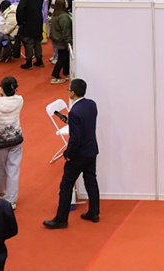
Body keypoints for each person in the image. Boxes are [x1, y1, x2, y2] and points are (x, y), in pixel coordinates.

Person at [43, 78, 101, 226]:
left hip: (79, 155)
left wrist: (68, 154)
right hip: (91, 150)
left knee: (66, 184)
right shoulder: (91, 104)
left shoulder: (75, 112)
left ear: (73, 93)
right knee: (91, 181)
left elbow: (75, 139)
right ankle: (94, 212)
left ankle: (61, 219)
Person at [0, 77, 24, 209]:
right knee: (13, 169)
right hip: (16, 139)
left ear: (1, 89)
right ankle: (12, 199)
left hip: (0, 141)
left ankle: (2, 193)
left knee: (0, 167)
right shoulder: (19, 101)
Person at [16, 0, 45, 69]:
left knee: (28, 42)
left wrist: (20, 22)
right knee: (37, 41)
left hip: (27, 22)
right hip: (38, 20)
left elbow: (20, 10)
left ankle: (29, 62)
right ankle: (39, 60)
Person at [48, 0, 72, 84]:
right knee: (62, 59)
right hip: (62, 41)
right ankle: (55, 76)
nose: (67, 2)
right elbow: (66, 31)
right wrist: (69, 42)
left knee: (64, 57)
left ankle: (66, 73)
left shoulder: (55, 15)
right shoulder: (64, 17)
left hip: (57, 40)